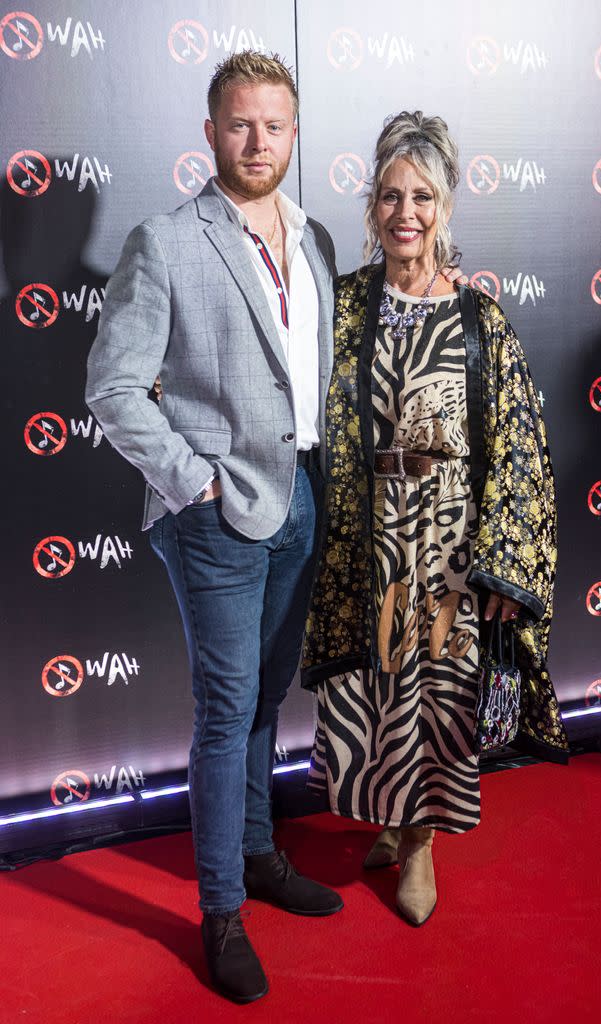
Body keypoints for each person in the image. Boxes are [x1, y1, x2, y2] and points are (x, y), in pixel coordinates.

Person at [85, 52, 346, 1006]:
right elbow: (112, 387)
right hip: (215, 518)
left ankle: (260, 855)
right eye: (240, 124)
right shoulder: (166, 241)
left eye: (274, 125)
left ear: (292, 132)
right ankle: (222, 910)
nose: (258, 141)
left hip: (303, 500)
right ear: (210, 133)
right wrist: (191, 482)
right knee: (224, 712)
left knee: (268, 699)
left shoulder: (316, 239)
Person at [301, 111, 570, 927]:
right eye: (389, 196)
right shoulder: (343, 306)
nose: (404, 213)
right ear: (371, 206)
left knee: (437, 693)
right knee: (378, 686)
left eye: (421, 196)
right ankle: (389, 816)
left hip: (450, 553)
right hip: (365, 544)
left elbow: (522, 448)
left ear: (446, 206)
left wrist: (502, 567)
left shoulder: (480, 319)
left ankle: (420, 842)